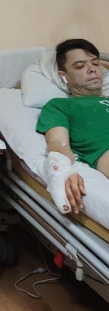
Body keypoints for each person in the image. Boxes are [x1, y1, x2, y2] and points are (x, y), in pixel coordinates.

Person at [36, 38, 109, 215]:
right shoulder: (60, 105)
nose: (92, 69)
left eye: (95, 63)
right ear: (63, 76)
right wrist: (62, 170)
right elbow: (58, 143)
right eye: (80, 66)